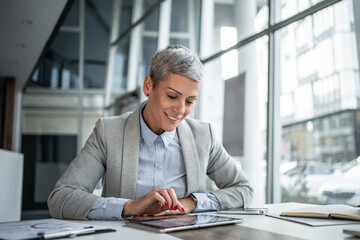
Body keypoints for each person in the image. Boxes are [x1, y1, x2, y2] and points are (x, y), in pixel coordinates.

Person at [48, 45, 253, 220]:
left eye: (190, 101)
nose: (181, 110)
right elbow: (61, 197)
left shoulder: (203, 135)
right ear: (149, 86)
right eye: (172, 96)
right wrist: (129, 207)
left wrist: (191, 203)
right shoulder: (108, 132)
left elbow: (243, 189)